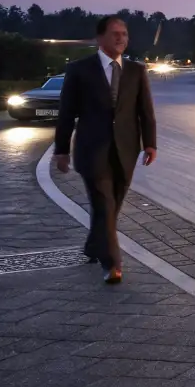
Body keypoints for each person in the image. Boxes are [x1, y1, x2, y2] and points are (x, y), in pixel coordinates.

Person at [54, 16, 157, 284]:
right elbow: (66, 113)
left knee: (113, 205)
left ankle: (93, 245)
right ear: (99, 39)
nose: (121, 38)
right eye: (115, 34)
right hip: (92, 148)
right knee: (104, 203)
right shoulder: (79, 70)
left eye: (124, 34)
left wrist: (150, 143)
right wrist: (61, 149)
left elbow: (146, 111)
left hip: (126, 149)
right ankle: (112, 263)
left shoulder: (136, 71)